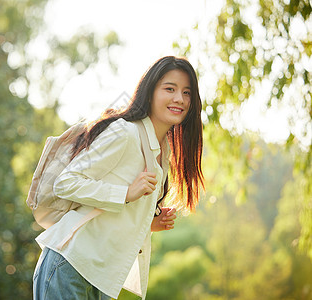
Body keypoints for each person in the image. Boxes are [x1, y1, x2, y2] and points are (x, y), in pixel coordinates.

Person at [33, 56, 204, 300]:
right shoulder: (126, 132)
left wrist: (149, 223)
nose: (179, 99)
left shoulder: (162, 151)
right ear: (150, 92)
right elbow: (66, 182)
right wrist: (126, 194)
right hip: (70, 265)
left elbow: (115, 213)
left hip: (101, 276)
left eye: (187, 92)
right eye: (170, 89)